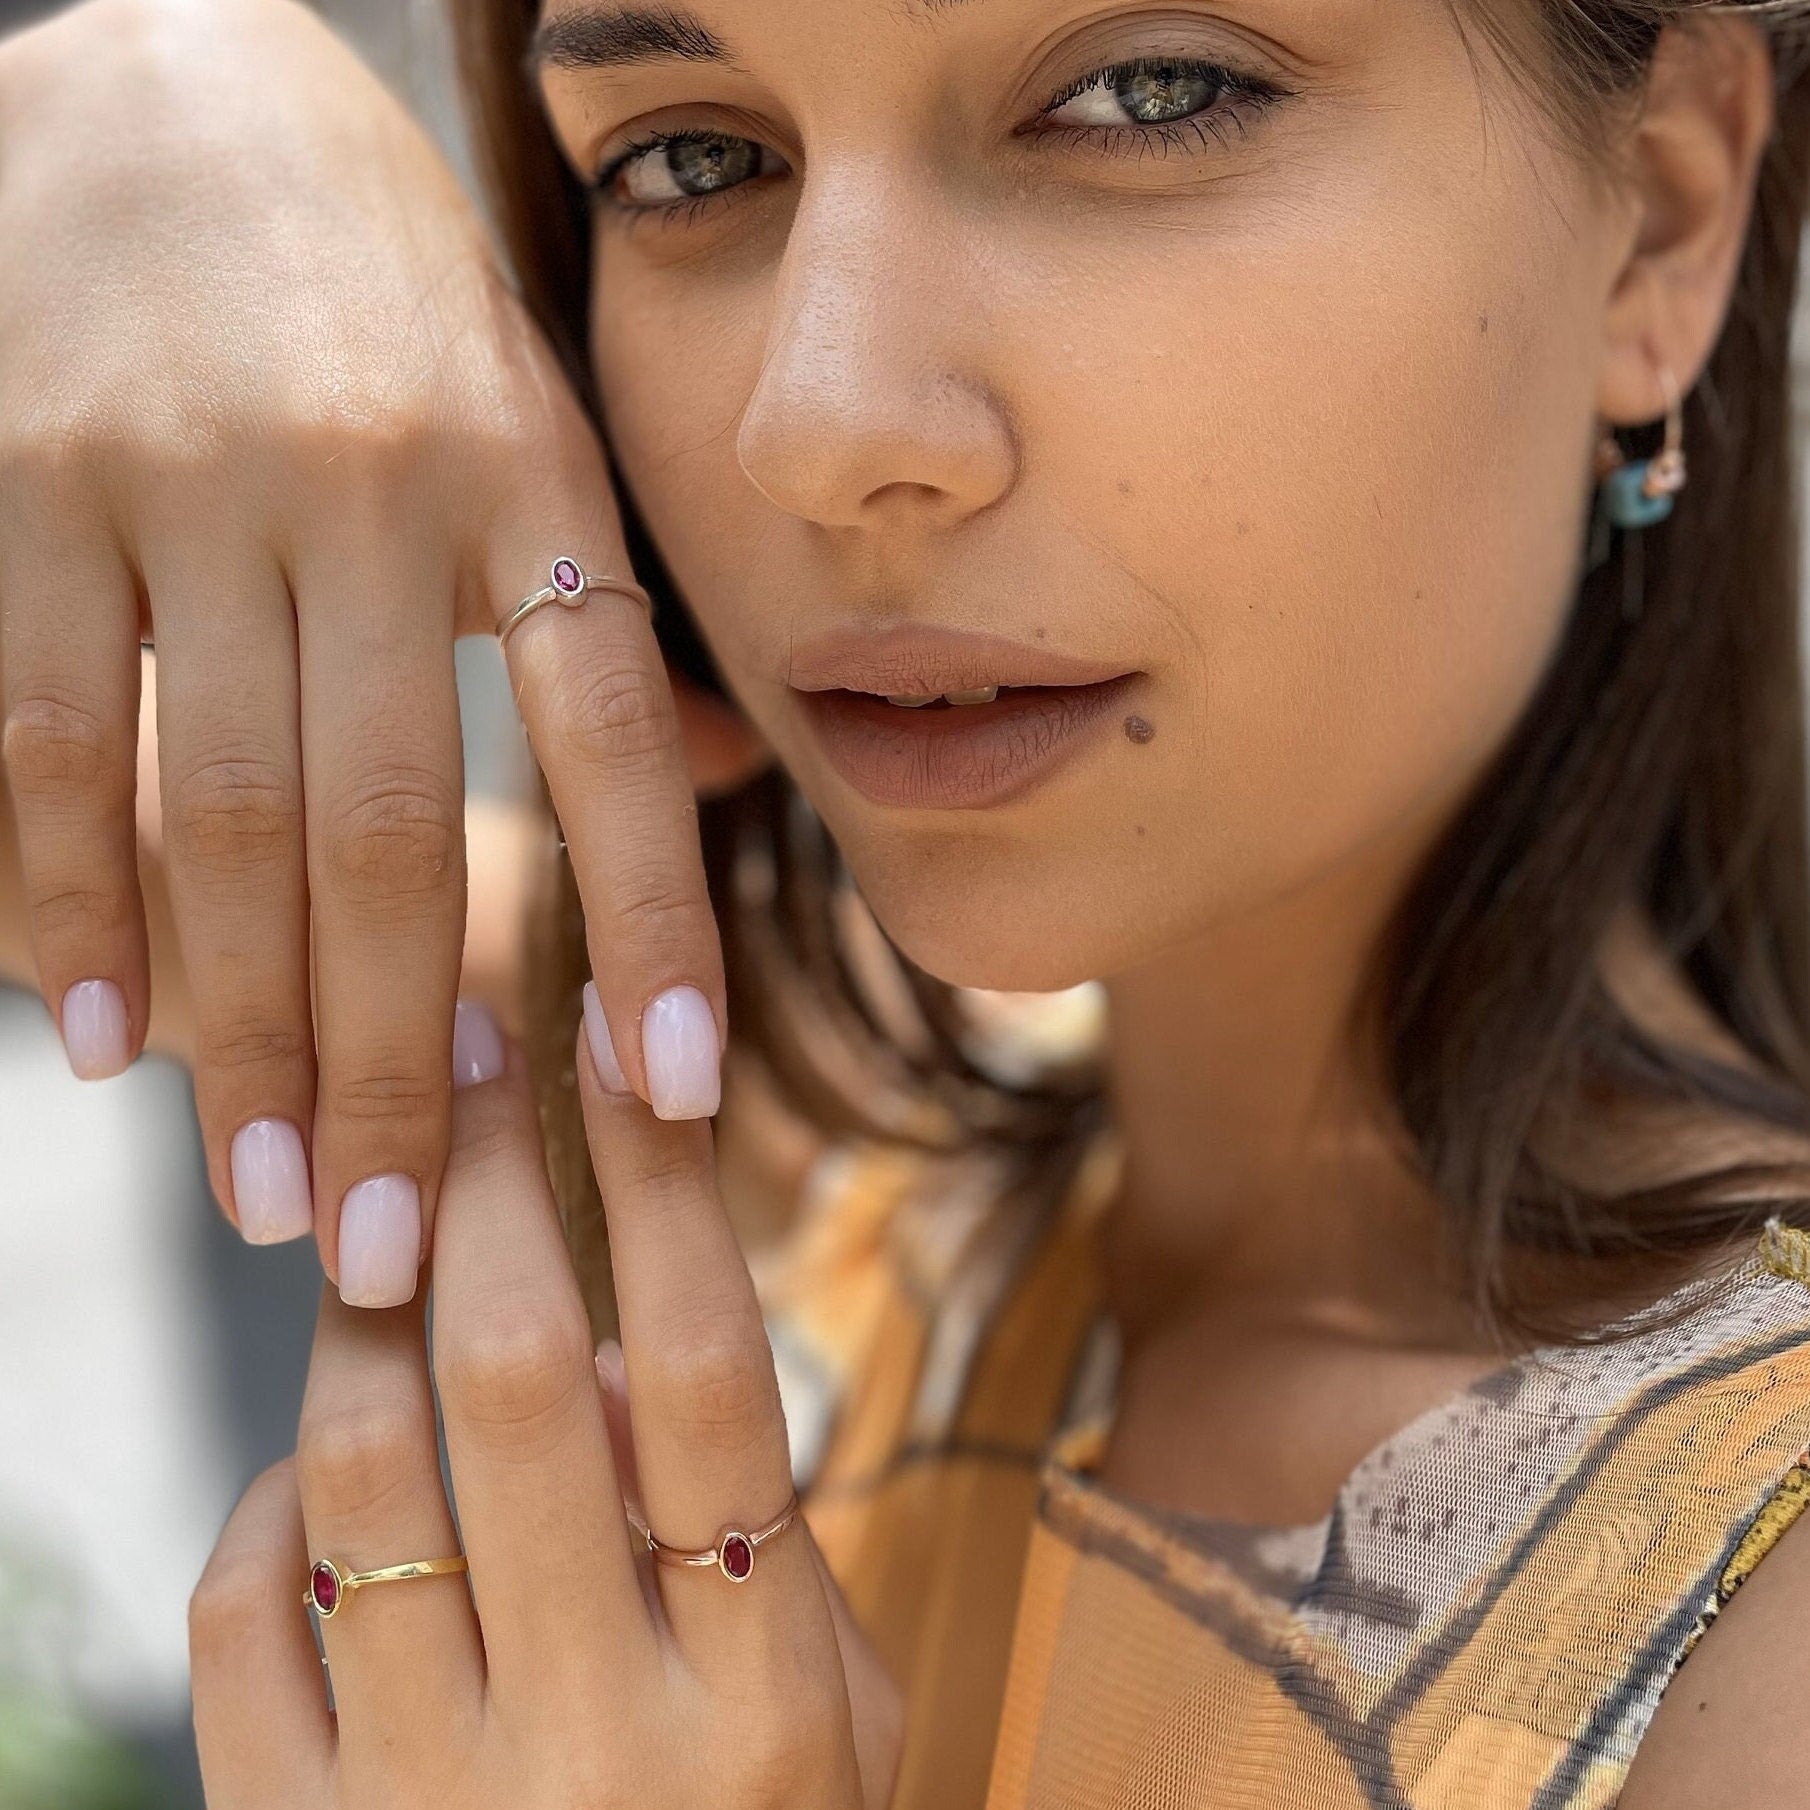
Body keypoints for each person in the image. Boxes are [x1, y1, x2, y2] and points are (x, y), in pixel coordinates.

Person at [5, 0, 1810, 1802]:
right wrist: (134, 99)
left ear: (1657, 210)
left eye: (1142, 94)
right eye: (690, 159)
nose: (819, 421)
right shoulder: (880, 1119)